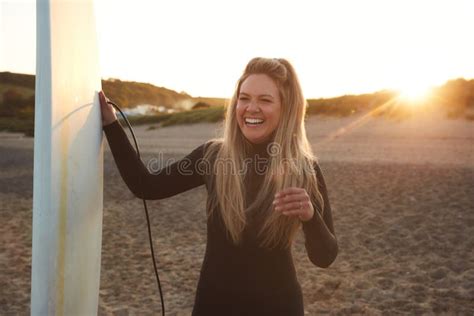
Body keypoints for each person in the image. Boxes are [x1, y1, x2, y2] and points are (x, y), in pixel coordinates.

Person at [100, 57, 338, 316]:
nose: (251, 108)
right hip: (214, 305)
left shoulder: (304, 169)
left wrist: (310, 216)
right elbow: (146, 186)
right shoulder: (212, 158)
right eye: (244, 98)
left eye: (265, 100)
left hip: (279, 306)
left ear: (286, 108)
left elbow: (324, 257)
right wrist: (112, 125)